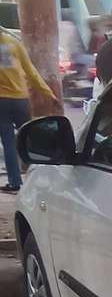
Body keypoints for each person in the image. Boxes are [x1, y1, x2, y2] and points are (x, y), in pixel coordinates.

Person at [0, 27, 57, 193]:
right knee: (30, 140)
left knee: (8, 142)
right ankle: (45, 177)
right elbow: (31, 71)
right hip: (20, 100)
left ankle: (15, 182)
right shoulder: (13, 43)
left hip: (1, 102)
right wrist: (49, 94)